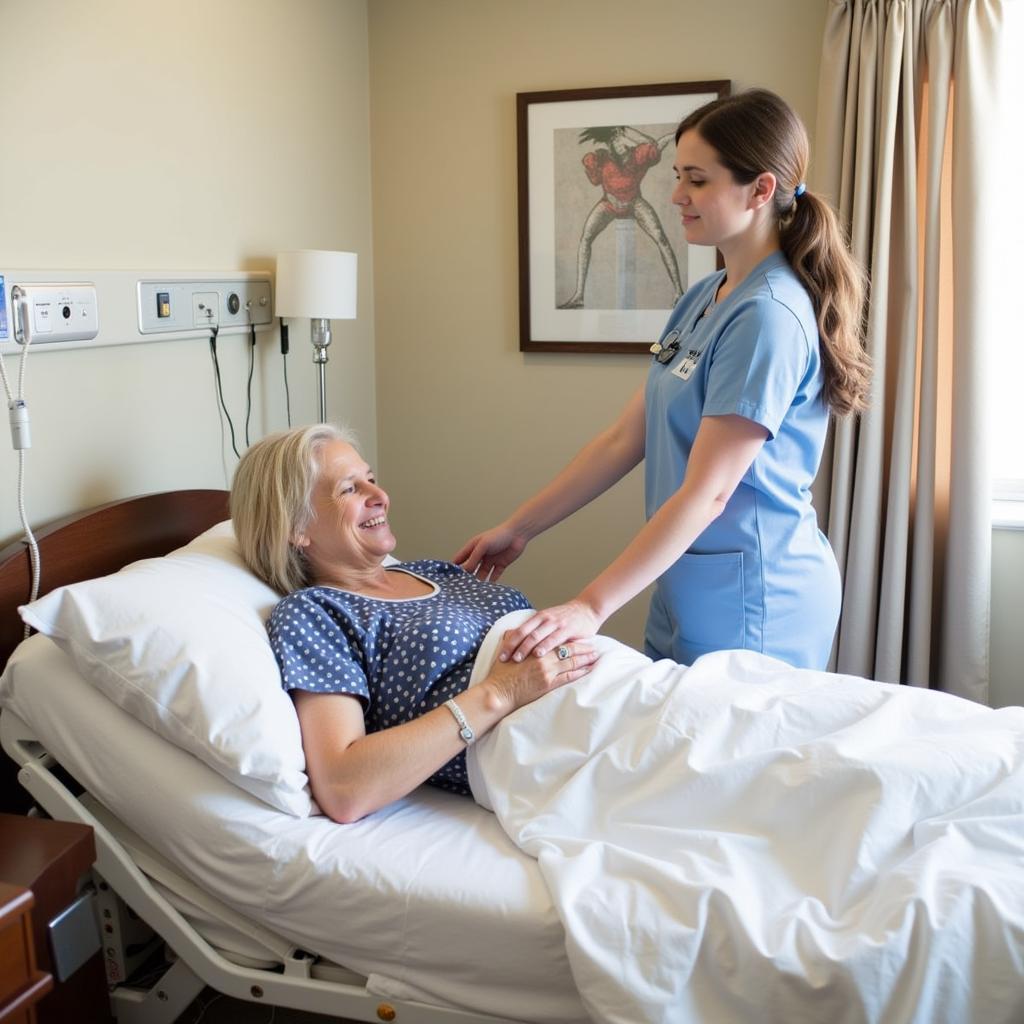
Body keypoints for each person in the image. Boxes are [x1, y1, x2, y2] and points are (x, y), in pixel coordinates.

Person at [456, 88, 872, 671]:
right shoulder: (705, 296)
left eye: (697, 180)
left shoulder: (768, 315)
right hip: (684, 580)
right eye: (677, 176)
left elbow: (712, 492)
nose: (676, 195)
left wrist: (588, 607)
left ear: (760, 189)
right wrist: (520, 528)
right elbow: (624, 439)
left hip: (756, 592)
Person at [229, 424, 598, 824]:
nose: (380, 497)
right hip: (567, 745)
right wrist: (499, 693)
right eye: (349, 489)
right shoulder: (314, 612)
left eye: (371, 480)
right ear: (296, 527)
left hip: (611, 687)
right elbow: (343, 787)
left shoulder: (434, 571)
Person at [559, 124, 683, 309]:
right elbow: (594, 180)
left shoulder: (639, 156)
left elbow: (657, 143)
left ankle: (679, 293)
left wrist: (629, 134)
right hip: (608, 204)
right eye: (613, 142)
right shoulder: (601, 159)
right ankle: (579, 296)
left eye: (620, 141)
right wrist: (619, 137)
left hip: (634, 203)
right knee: (585, 239)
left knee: (661, 239)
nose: (616, 145)